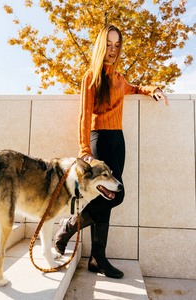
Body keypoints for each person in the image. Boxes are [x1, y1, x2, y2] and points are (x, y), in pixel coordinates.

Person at [54, 24, 168, 279]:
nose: (113, 49)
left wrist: (154, 89)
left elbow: (136, 88)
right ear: (100, 46)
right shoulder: (92, 76)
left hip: (118, 139)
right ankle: (70, 227)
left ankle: (97, 258)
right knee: (117, 195)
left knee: (107, 197)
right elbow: (84, 115)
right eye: (108, 44)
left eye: (117, 45)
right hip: (100, 140)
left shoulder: (119, 77)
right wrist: (85, 149)